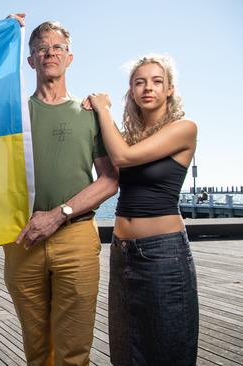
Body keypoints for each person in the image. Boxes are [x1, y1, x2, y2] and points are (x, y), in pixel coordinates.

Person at [4, 14, 119, 366]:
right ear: (30, 60)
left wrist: (59, 214)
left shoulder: (90, 113)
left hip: (76, 237)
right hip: (23, 238)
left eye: (58, 47)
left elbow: (110, 180)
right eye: (41, 48)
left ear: (69, 57)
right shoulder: (13, 115)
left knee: (74, 351)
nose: (49, 53)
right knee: (37, 350)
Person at [85, 55, 199, 365]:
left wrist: (103, 108)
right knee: (126, 348)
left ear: (170, 89)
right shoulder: (129, 136)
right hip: (123, 252)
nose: (148, 87)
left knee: (168, 348)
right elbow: (110, 173)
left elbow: (122, 157)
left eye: (156, 81)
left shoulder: (184, 128)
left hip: (163, 254)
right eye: (139, 82)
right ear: (132, 92)